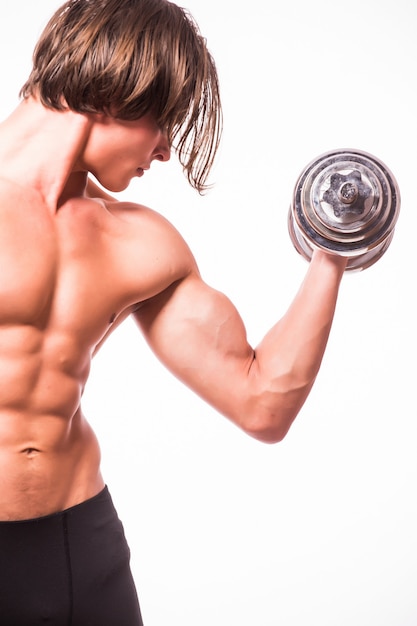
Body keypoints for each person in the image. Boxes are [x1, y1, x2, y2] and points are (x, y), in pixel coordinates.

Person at [0, 0, 347, 623]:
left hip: (80, 545)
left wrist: (333, 252)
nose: (163, 151)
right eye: (164, 122)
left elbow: (262, 403)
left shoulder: (139, 242)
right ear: (121, 86)